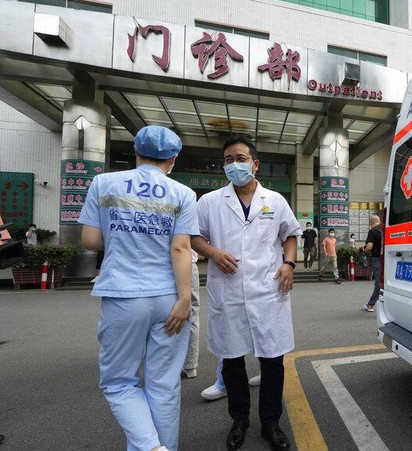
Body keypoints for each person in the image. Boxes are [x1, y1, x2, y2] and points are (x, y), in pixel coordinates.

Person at [78, 125, 197, 451]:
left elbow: (89, 240)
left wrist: (121, 235)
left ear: (136, 152)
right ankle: (162, 447)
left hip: (123, 295)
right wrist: (186, 299)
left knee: (119, 382)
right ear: (172, 159)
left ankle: (150, 447)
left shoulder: (103, 183)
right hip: (168, 298)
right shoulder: (183, 193)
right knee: (164, 385)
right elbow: (181, 250)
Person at [191, 133, 301, 451]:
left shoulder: (275, 200)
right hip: (228, 291)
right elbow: (194, 237)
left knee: (272, 361)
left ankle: (271, 423)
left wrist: (289, 264)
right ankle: (239, 420)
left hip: (268, 291)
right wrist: (213, 253)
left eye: (240, 159)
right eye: (228, 160)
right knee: (232, 360)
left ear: (255, 164)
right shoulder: (210, 202)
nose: (234, 165)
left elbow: (290, 234)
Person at [182, 250, 201, 379]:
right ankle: (191, 365)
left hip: (164, 265)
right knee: (192, 314)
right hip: (190, 263)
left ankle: (168, 362)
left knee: (166, 313)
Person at [362, 215, 383, 312]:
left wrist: (364, 250)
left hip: (377, 258)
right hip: (387, 258)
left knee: (378, 281)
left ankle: (371, 304)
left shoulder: (372, 231)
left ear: (371, 222)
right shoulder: (385, 230)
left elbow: (369, 247)